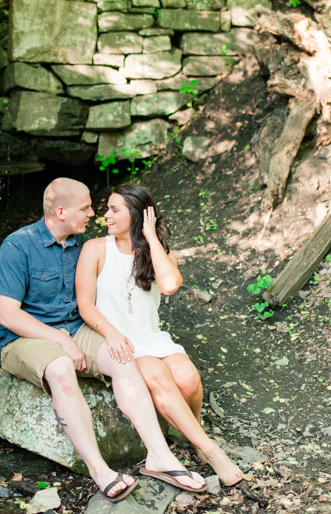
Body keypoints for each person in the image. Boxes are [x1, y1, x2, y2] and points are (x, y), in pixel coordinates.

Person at [0, 178, 206, 502]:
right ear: (61, 211)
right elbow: (8, 315)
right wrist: (59, 340)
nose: (94, 214)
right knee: (62, 367)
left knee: (123, 355)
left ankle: (159, 456)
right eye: (86, 208)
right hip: (25, 336)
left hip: (78, 330)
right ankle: (99, 470)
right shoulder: (18, 245)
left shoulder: (82, 246)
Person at [76, 184, 245, 487]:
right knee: (158, 376)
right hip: (119, 342)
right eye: (107, 209)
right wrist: (111, 334)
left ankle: (190, 434)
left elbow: (169, 286)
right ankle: (211, 451)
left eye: (114, 210)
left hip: (151, 337)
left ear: (137, 216)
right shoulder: (95, 249)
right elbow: (85, 303)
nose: (106, 216)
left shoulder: (157, 251)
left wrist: (151, 237)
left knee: (188, 378)